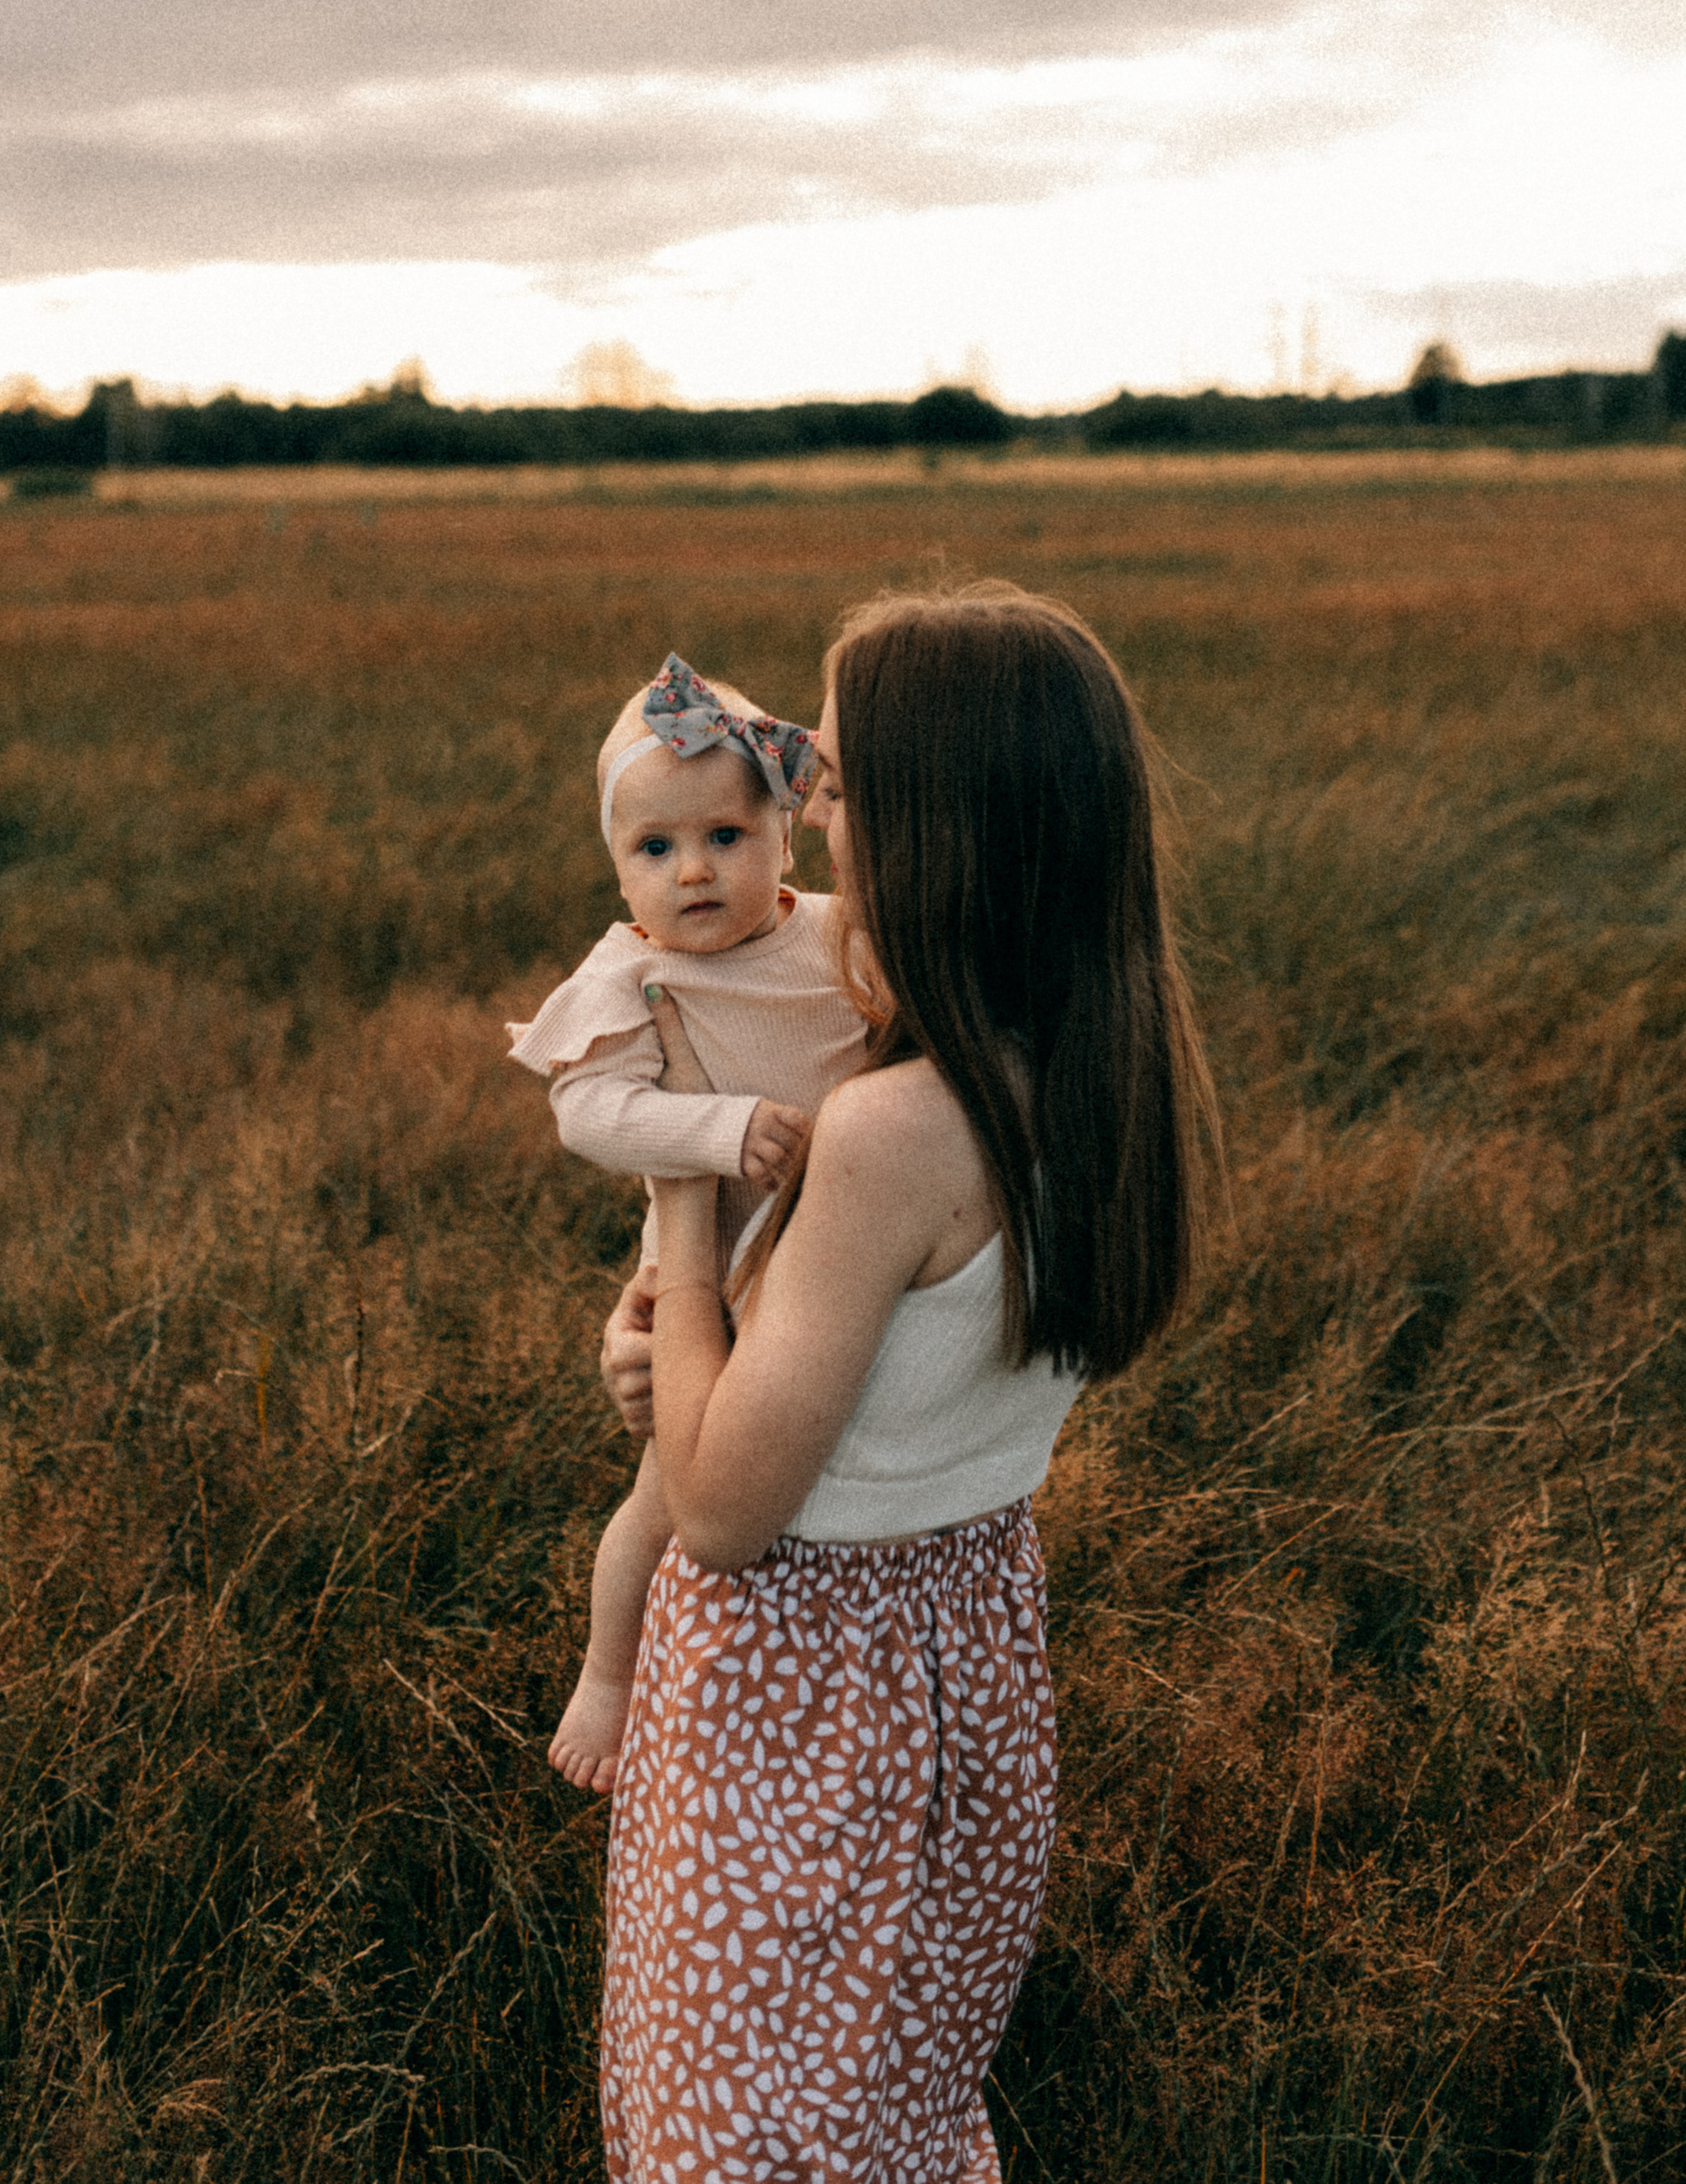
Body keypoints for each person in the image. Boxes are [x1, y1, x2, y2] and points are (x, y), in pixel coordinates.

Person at [595, 583, 1219, 2184]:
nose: (809, 807)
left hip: (799, 1684)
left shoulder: (892, 1132)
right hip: (970, 1651)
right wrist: (690, 1339)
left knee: (737, 2135)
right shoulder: (1102, 1068)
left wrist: (679, 1199)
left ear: (939, 828)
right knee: (893, 2118)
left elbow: (721, 1512)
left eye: (841, 780)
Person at [508, 651, 867, 1790]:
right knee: (667, 1494)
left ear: (787, 838)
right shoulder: (632, 974)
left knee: (814, 1463)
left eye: (726, 836)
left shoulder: (835, 935)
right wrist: (718, 1131)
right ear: (618, 869)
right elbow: (588, 1112)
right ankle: (608, 1675)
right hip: (706, 1277)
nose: (695, 871)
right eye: (655, 850)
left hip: (837, 1251)